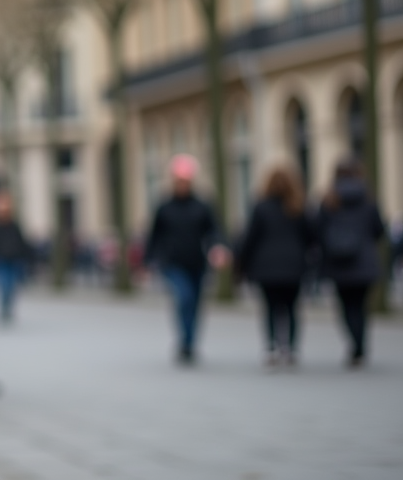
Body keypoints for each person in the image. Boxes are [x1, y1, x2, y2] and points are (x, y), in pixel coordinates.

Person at [143, 154, 228, 365]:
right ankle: (185, 341)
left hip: (197, 263)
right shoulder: (164, 207)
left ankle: (189, 343)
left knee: (196, 304)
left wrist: (217, 247)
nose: (182, 184)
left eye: (185, 180)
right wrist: (148, 261)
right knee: (184, 298)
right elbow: (154, 236)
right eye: (179, 180)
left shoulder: (202, 205)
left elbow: (214, 231)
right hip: (173, 263)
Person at [236, 166, 315, 367]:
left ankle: (271, 347)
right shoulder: (299, 206)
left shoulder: (261, 207)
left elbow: (250, 238)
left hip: (266, 266)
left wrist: (241, 264)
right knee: (292, 308)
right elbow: (311, 236)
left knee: (270, 308)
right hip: (294, 265)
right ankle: (291, 348)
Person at [316, 157, 386, 368]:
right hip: (364, 261)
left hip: (339, 263)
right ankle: (360, 345)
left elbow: (318, 230)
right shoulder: (368, 199)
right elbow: (379, 230)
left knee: (346, 307)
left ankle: (354, 345)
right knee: (361, 306)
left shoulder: (329, 201)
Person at [0, 189, 31, 321]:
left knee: (10, 285)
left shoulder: (13, 225)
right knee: (2, 284)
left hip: (13, 259)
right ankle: (3, 307)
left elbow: (20, 242)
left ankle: (6, 306)